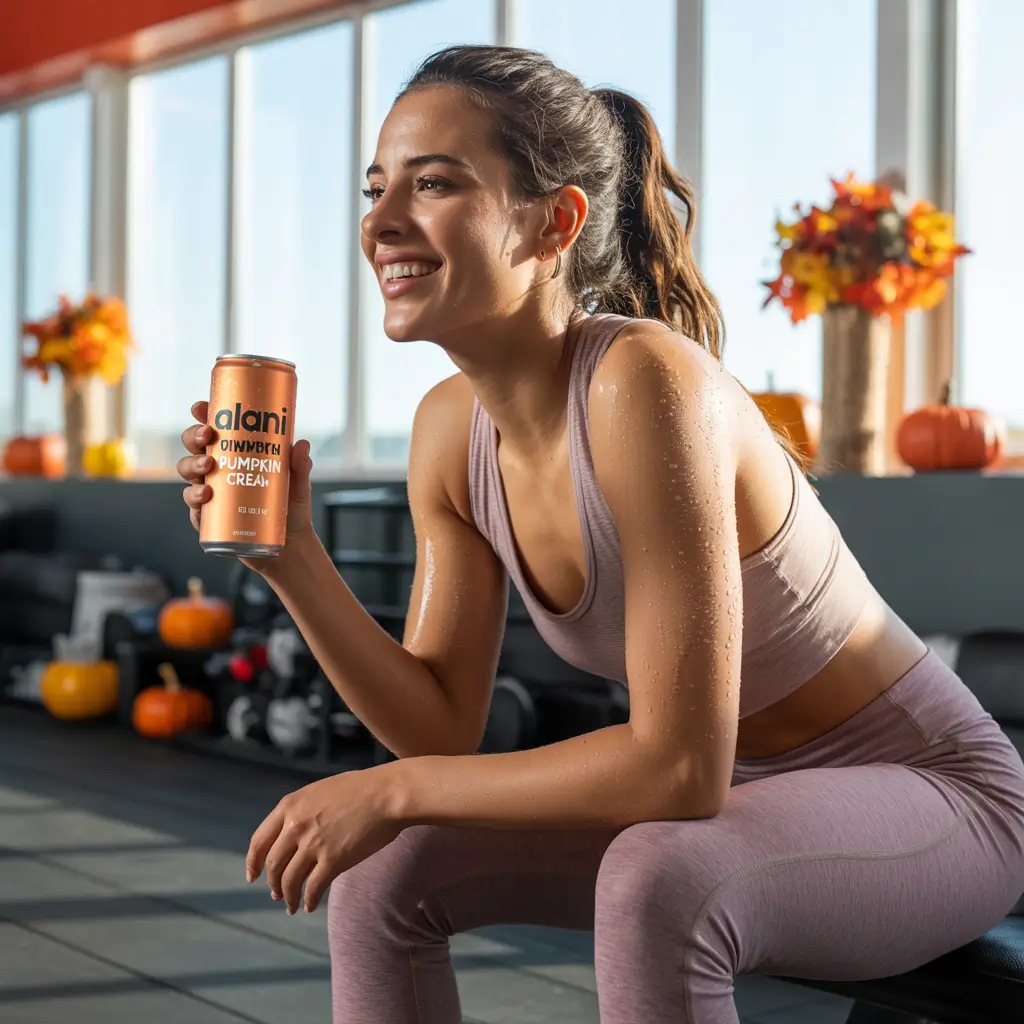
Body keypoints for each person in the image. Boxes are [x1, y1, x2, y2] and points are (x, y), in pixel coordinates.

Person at [177, 44, 1024, 1024]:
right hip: (742, 800)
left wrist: (399, 788)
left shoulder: (643, 385)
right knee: (385, 871)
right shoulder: (448, 431)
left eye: (437, 183)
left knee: (656, 875)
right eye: (376, 190)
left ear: (553, 221)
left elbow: (677, 767)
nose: (382, 223)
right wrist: (292, 560)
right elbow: (441, 725)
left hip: (934, 799)